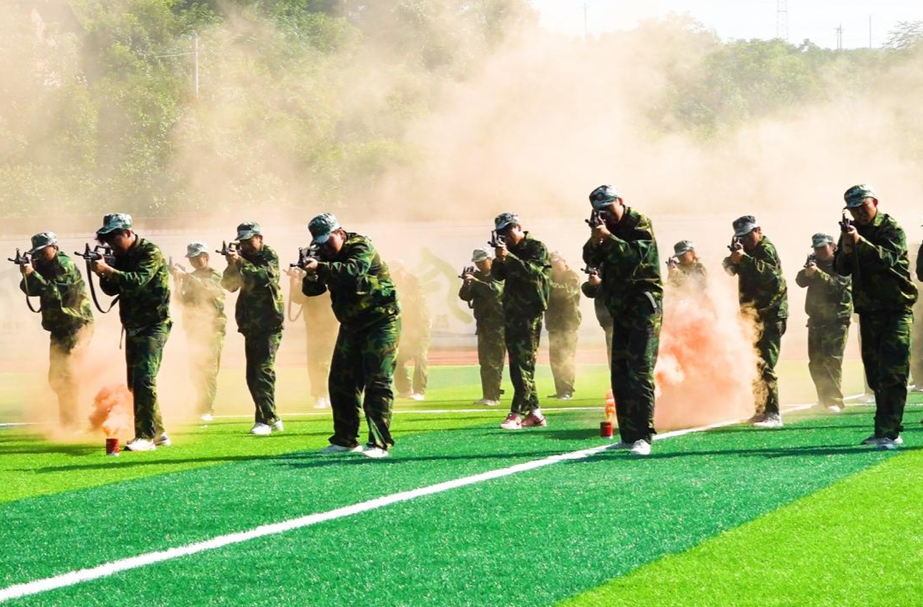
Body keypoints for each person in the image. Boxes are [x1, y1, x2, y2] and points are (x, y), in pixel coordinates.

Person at [300, 213, 401, 459]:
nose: (324, 247)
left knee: (377, 381)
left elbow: (353, 271)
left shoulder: (360, 245)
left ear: (340, 234)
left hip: (381, 321)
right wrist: (311, 272)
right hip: (352, 324)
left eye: (327, 241)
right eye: (319, 243)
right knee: (341, 381)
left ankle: (379, 443)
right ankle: (345, 439)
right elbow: (311, 291)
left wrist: (320, 267)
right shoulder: (324, 255)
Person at [833, 185, 918, 449]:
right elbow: (840, 269)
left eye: (863, 206)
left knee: (893, 372)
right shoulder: (851, 232)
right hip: (869, 312)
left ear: (875, 203)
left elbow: (888, 259)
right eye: (854, 209)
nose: (859, 213)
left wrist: (860, 243)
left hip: (895, 310)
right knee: (875, 375)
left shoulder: (890, 228)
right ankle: (884, 429)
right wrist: (847, 248)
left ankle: (888, 432)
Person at [583, 185, 663, 456]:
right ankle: (629, 434)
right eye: (599, 210)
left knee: (640, 370)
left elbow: (634, 256)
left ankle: (644, 435)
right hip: (620, 309)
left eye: (608, 208)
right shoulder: (604, 228)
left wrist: (607, 237)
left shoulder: (639, 222)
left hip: (643, 306)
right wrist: (596, 239)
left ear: (620, 201)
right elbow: (589, 258)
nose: (605, 214)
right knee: (620, 372)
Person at [91, 214, 171, 452]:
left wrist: (108, 268)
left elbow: (137, 281)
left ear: (127, 232)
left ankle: (145, 436)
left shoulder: (150, 252)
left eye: (114, 237)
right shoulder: (120, 257)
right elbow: (111, 290)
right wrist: (102, 272)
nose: (111, 244)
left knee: (145, 378)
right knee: (136, 384)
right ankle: (159, 432)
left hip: (154, 324)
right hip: (133, 326)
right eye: (107, 240)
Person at [18, 232, 94, 428]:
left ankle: (73, 423)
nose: (40, 256)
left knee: (68, 375)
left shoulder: (63, 265)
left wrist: (32, 273)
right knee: (57, 378)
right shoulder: (43, 266)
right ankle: (69, 420)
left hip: (76, 325)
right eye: (38, 253)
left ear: (55, 248)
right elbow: (30, 290)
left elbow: (54, 292)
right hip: (60, 328)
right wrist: (28, 272)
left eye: (44, 252)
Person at [722, 215, 788, 429]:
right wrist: (734, 257)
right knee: (753, 362)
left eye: (748, 235)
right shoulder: (745, 251)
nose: (746, 240)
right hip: (752, 316)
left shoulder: (766, 249)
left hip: (771, 314)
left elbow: (772, 277)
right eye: (741, 237)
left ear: (758, 230)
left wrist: (744, 259)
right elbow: (728, 269)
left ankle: (773, 413)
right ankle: (760, 410)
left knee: (765, 362)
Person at [221, 222, 285, 436]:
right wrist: (231, 264)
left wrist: (239, 261)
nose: (246, 245)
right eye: (242, 242)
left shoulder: (269, 255)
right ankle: (272, 416)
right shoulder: (241, 259)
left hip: (269, 322)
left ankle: (264, 419)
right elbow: (229, 286)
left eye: (249, 241)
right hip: (251, 324)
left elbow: (265, 277)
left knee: (263, 371)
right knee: (252, 374)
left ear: (260, 238)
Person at [491, 213, 551, 430]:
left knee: (522, 365)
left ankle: (517, 412)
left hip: (530, 312)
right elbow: (497, 276)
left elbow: (534, 273)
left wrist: (509, 257)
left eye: (507, 232)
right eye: (500, 234)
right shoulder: (508, 251)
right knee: (518, 363)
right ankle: (535, 413)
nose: (504, 237)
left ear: (518, 227)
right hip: (512, 312)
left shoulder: (535, 247)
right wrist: (499, 258)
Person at [794, 233, 852, 413]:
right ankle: (823, 398)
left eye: (822, 247)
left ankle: (834, 400)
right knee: (816, 362)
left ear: (833, 246)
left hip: (836, 319)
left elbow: (837, 285)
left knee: (832, 361)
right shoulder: (815, 263)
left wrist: (818, 274)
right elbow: (800, 281)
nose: (819, 251)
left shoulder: (842, 263)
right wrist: (807, 271)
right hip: (816, 319)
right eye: (816, 248)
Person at [170, 242, 226, 422]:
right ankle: (201, 403)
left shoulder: (215, 274)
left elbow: (210, 291)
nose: (194, 261)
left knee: (208, 369)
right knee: (195, 370)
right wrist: (177, 281)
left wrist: (186, 277)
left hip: (212, 327)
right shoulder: (190, 277)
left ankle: (206, 407)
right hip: (194, 328)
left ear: (206, 256)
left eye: (197, 257)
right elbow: (180, 301)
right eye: (191, 258)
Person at [458, 248, 505, 406]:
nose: (479, 265)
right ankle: (488, 395)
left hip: (498, 325)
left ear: (489, 259)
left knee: (495, 362)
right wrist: (467, 283)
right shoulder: (477, 276)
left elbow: (494, 291)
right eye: (477, 262)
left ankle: (493, 396)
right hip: (483, 325)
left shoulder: (498, 273)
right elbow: (465, 296)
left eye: (481, 261)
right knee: (484, 361)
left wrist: (476, 282)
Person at [288, 271, 338, 409]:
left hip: (335, 323)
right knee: (316, 362)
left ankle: (334, 394)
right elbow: (298, 298)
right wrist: (295, 281)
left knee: (335, 361)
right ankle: (320, 394)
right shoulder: (308, 278)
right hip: (315, 326)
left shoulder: (333, 271)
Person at [392, 262, 431, 401]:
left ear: (404, 270)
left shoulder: (414, 282)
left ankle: (419, 391)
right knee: (397, 358)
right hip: (404, 327)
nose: (397, 276)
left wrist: (400, 296)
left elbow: (416, 301)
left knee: (420, 357)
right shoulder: (393, 283)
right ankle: (405, 389)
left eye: (398, 272)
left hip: (420, 326)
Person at [545, 252, 582, 400]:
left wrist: (549, 284)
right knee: (555, 359)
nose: (554, 267)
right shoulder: (551, 278)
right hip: (553, 324)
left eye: (556, 263)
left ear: (563, 261)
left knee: (566, 357)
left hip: (568, 323)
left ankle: (567, 390)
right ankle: (560, 389)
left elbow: (565, 292)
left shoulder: (571, 275)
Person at [581, 264, 613, 366]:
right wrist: (594, 282)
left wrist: (601, 283)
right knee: (613, 360)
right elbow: (589, 291)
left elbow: (621, 286)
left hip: (621, 321)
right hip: (609, 325)